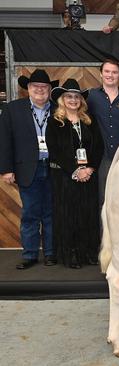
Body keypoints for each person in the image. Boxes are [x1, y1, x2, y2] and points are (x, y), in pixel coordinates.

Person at [0, 70, 58, 269]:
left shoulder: (59, 108)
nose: (40, 90)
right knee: (30, 214)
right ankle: (30, 254)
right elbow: (5, 140)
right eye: (35, 87)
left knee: (51, 213)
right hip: (27, 169)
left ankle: (51, 253)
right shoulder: (13, 109)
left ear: (50, 90)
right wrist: (6, 169)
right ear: (28, 89)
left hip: (54, 169)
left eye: (44, 87)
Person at [46, 79, 103, 269]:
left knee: (88, 214)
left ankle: (89, 252)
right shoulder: (54, 122)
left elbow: (98, 147)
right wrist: (75, 170)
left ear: (81, 100)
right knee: (68, 215)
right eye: (69, 96)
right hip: (65, 177)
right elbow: (55, 151)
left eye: (76, 96)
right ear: (62, 100)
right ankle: (70, 254)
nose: (73, 100)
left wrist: (89, 168)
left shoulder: (89, 121)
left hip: (88, 176)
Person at [87, 59, 119, 206]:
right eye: (107, 71)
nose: (110, 75)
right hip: (100, 157)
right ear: (101, 74)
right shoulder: (91, 97)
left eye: (114, 72)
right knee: (102, 200)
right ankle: (103, 230)